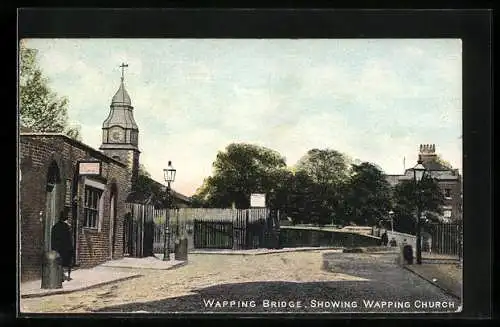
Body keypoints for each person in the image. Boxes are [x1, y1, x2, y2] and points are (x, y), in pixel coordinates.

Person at [51, 210, 74, 282]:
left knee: (58, 263)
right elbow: (68, 239)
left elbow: (53, 238)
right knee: (66, 263)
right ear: (65, 218)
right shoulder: (66, 227)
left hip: (57, 248)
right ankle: (66, 277)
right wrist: (71, 248)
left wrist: (53, 248)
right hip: (65, 249)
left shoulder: (55, 226)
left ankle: (59, 276)